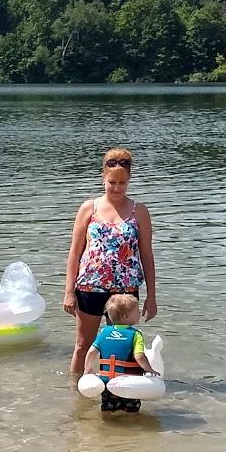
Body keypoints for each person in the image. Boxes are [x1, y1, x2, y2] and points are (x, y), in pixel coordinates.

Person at [63, 147, 157, 377]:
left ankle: (121, 395)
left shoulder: (140, 211)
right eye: (112, 182)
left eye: (122, 183)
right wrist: (69, 292)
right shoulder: (89, 208)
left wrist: (151, 297)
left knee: (124, 347)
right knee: (84, 345)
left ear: (129, 180)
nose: (116, 188)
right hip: (89, 288)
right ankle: (76, 395)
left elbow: (146, 255)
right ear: (103, 177)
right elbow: (75, 253)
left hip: (125, 292)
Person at [83, 293, 153, 413]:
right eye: (137, 310)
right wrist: (149, 370)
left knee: (108, 411)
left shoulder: (104, 332)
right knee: (131, 413)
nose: (140, 312)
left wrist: (87, 370)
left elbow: (91, 352)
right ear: (126, 316)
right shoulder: (135, 335)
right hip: (129, 383)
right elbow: (139, 356)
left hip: (108, 383)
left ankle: (105, 429)